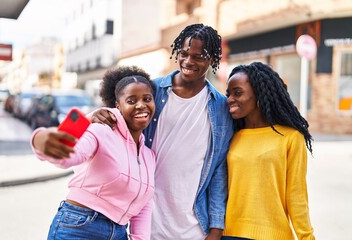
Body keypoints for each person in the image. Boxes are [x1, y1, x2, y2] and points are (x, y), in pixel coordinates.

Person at [89, 23, 234, 239]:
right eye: (184, 53)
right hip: (144, 221)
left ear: (213, 59)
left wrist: (216, 228)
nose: (188, 61)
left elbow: (217, 173)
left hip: (193, 227)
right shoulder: (152, 91)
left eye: (198, 56)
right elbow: (118, 121)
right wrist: (95, 116)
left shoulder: (221, 108)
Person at [30, 66, 156, 240]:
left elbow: (143, 205)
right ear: (117, 105)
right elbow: (69, 156)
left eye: (147, 99)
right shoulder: (100, 131)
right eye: (132, 100)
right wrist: (40, 140)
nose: (141, 105)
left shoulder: (149, 155)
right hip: (79, 226)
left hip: (119, 233)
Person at [222, 61, 315, 240]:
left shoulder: (290, 137)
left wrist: (307, 236)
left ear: (258, 94)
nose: (230, 99)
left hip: (274, 235)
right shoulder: (231, 137)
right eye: (228, 94)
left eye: (237, 93)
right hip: (231, 234)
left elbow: (296, 196)